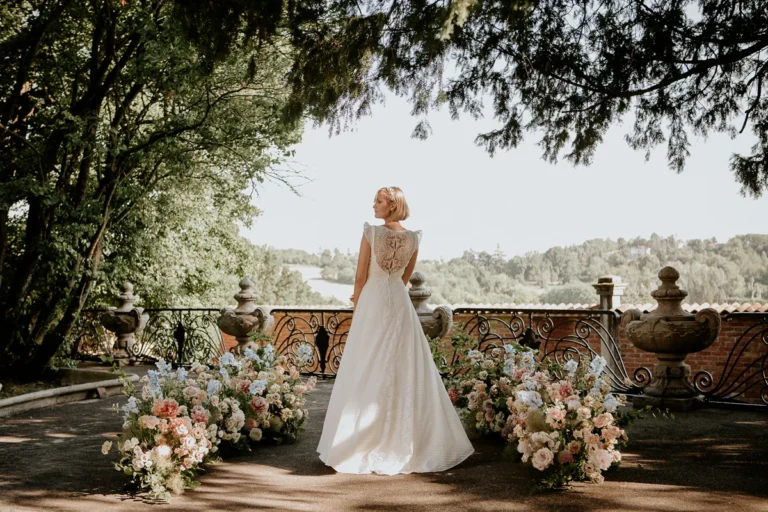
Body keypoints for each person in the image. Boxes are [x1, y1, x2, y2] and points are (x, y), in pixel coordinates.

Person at [316, 186, 474, 475]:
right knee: (404, 364)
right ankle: (405, 437)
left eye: (378, 201)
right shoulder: (413, 239)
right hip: (399, 302)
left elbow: (360, 276)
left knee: (367, 362)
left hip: (373, 300)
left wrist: (357, 304)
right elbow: (403, 277)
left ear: (392, 205)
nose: (373, 206)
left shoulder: (372, 234)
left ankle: (362, 439)